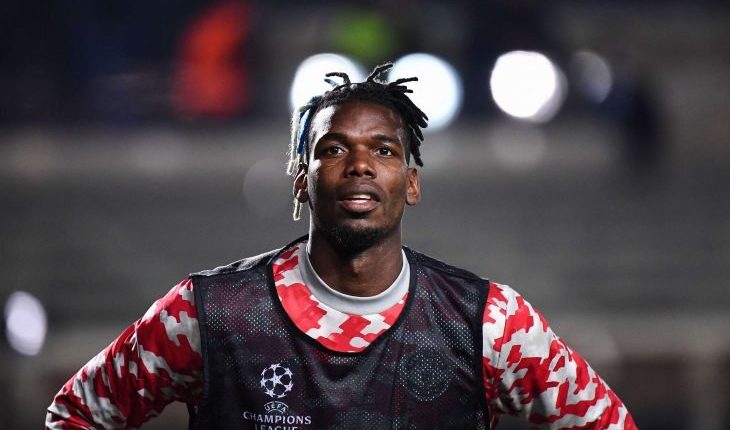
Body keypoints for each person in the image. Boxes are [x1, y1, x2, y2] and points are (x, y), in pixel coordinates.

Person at [46, 63, 637, 429]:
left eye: (383, 149)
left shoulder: (490, 322)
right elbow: (74, 415)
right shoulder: (206, 312)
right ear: (301, 182)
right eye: (333, 149)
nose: (359, 165)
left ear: (411, 182)